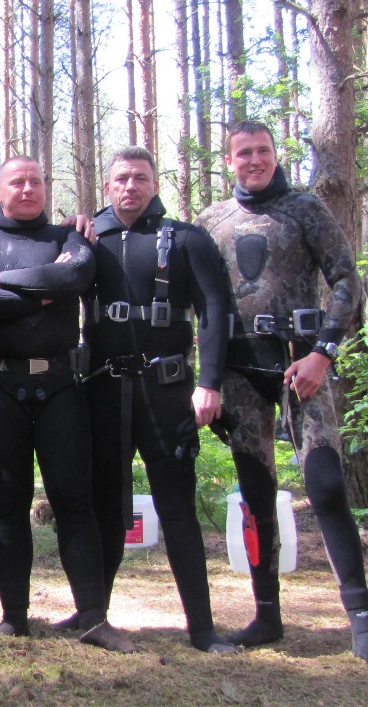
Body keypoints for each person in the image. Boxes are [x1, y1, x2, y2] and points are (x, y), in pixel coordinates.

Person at [196, 121, 368, 673]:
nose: (255, 160)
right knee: (255, 491)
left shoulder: (305, 208)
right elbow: (191, 291)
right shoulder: (211, 221)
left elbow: (346, 280)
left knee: (326, 485)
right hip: (240, 371)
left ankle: (363, 626)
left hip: (300, 366)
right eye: (244, 152)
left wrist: (323, 354)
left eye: (263, 150)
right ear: (228, 161)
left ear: (275, 154)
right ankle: (267, 616)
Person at [0, 156, 134, 652]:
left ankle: (93, 617)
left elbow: (73, 279)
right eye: (17, 181)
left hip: (61, 386)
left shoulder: (69, 237)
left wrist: (2, 283)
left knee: (75, 502)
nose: (28, 188)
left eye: (35, 180)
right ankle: (15, 618)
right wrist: (39, 293)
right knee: (8, 505)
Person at [80, 147, 236, 654]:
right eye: (122, 178)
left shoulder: (187, 239)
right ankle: (93, 616)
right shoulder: (87, 240)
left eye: (141, 178)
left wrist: (209, 383)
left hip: (167, 394)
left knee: (177, 509)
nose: (131, 186)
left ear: (154, 183)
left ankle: (202, 629)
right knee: (105, 507)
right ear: (108, 185)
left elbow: (214, 311)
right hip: (103, 391)